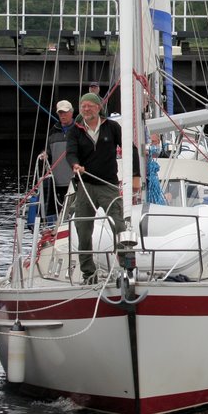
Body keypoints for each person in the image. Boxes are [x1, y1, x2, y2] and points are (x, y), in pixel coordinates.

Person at [65, 92, 140, 283]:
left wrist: (136, 176)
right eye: (83, 106)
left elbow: (131, 149)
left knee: (119, 226)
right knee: (83, 230)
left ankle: (126, 267)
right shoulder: (75, 130)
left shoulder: (112, 127)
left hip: (108, 186)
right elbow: (71, 153)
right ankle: (88, 273)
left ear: (98, 107)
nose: (86, 109)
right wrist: (75, 165)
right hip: (85, 186)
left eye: (90, 105)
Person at [38, 100, 75, 217]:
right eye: (60, 113)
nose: (63, 115)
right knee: (58, 211)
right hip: (57, 182)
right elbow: (48, 150)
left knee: (73, 210)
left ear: (71, 112)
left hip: (75, 180)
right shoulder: (53, 131)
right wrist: (45, 154)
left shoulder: (79, 130)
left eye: (65, 112)